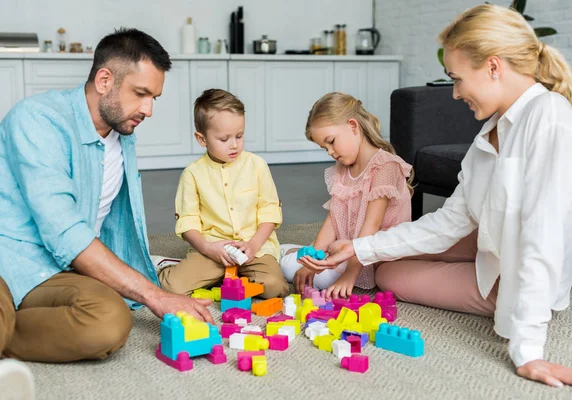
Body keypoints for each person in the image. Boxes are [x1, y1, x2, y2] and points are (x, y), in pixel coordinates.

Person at [299, 5, 572, 392]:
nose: (456, 94)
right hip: (491, 240)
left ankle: (493, 295)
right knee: (385, 258)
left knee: (389, 275)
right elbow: (449, 221)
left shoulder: (550, 121)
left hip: (517, 271)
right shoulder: (489, 134)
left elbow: (542, 241)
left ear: (493, 66)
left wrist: (528, 350)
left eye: (457, 79)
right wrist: (360, 246)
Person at [0, 28, 214, 363]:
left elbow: (112, 226)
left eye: (153, 98)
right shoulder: (37, 119)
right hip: (10, 262)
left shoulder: (122, 135)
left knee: (110, 321)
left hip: (60, 270)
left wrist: (137, 280)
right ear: (104, 80)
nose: (148, 109)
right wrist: (154, 295)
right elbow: (64, 230)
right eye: (140, 93)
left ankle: (7, 333)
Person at [157, 89, 289, 299]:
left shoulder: (257, 166)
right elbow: (188, 222)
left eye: (239, 135)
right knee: (172, 287)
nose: (234, 144)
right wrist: (208, 248)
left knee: (275, 288)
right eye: (224, 139)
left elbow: (269, 212)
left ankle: (225, 277)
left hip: (254, 247)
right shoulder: (192, 174)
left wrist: (253, 245)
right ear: (202, 139)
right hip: (212, 248)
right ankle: (166, 265)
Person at [280, 92, 413, 299]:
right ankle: (282, 252)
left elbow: (370, 228)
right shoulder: (343, 169)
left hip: (373, 254)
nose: (331, 152)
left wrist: (350, 275)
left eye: (331, 142)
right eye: (325, 148)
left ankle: (280, 253)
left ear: (353, 126)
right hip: (346, 250)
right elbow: (333, 219)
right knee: (304, 268)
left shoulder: (385, 166)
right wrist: (311, 259)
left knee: (316, 278)